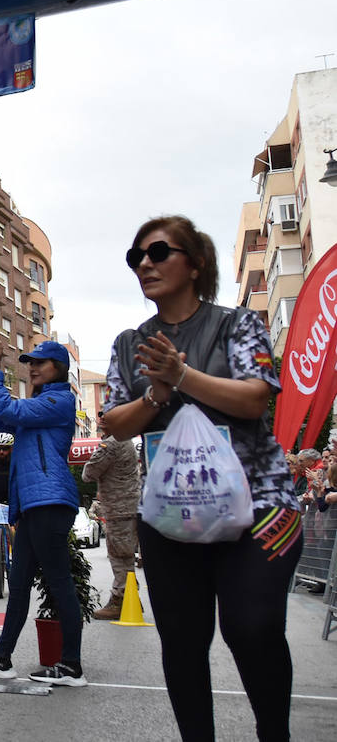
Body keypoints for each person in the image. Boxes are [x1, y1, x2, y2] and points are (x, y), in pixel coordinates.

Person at [99, 216, 301, 740]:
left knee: (251, 629)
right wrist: (158, 394)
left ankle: (272, 733)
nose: (145, 263)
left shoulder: (238, 325)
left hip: (260, 508)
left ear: (196, 263)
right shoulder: (130, 343)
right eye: (136, 257)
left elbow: (256, 396)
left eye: (159, 252)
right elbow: (116, 424)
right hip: (170, 517)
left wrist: (183, 375)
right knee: (184, 644)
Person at [0, 337, 85, 687]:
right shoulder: (37, 407)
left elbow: (9, 412)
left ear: (58, 369)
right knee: (17, 585)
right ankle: (2, 658)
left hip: (48, 501)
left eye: (40, 363)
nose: (32, 367)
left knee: (59, 582)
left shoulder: (59, 400)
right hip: (32, 504)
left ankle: (72, 665)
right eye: (30, 362)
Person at [81, 431, 141, 620]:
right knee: (126, 554)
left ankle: (120, 599)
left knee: (119, 555)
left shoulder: (112, 443)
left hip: (119, 507)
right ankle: (130, 595)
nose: (101, 422)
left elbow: (88, 473)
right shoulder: (125, 439)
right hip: (129, 505)